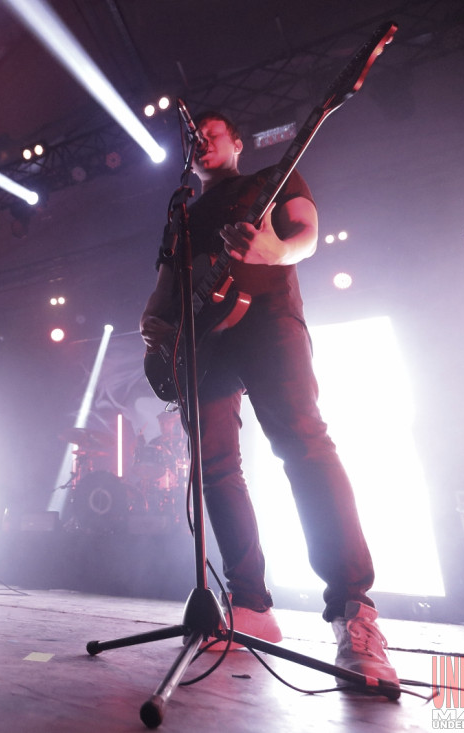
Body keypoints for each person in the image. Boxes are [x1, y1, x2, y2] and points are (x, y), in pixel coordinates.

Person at [139, 111, 397, 685]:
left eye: (212, 132)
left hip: (268, 319)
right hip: (203, 343)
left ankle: (353, 611)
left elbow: (306, 233)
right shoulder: (182, 212)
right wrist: (153, 321)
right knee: (214, 468)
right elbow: (166, 284)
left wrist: (275, 251)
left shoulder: (270, 178)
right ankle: (250, 605)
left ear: (236, 142)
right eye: (194, 137)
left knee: (304, 446)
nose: (201, 140)